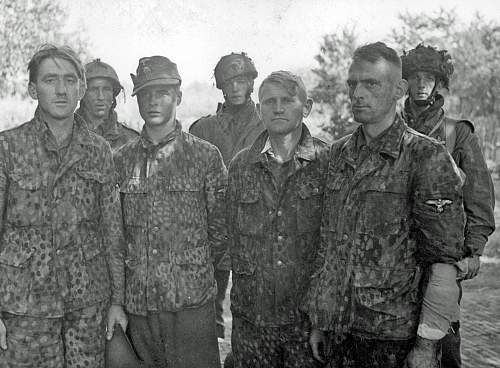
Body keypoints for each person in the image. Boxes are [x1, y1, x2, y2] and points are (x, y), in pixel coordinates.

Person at [304, 42, 466, 368]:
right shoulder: (337, 155)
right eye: (353, 84)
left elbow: (444, 264)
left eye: (371, 83)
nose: (358, 94)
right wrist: (320, 319)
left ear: (399, 89)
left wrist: (426, 344)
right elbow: (329, 245)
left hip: (394, 338)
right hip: (339, 332)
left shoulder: (426, 156)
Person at [0, 44, 126, 367]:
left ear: (81, 89)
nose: (61, 90)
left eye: (70, 80)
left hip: (87, 305)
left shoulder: (98, 151)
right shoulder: (8, 148)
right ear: (32, 88)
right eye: (50, 80)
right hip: (24, 308)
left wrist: (117, 301)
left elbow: (113, 233)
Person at [113, 55, 227, 368]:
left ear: (178, 96)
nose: (153, 101)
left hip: (191, 306)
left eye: (162, 93)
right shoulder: (120, 160)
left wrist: (195, 278)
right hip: (140, 305)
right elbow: (115, 237)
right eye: (146, 94)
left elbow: (221, 234)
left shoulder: (205, 156)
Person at [401, 43, 495, 368]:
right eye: (415, 77)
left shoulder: (457, 134)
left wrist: (474, 250)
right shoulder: (390, 129)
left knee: (441, 345)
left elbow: (479, 196)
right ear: (405, 81)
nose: (422, 84)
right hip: (395, 260)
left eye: (429, 77)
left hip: (441, 258)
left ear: (439, 82)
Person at [227, 71, 328, 368]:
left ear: (306, 107)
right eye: (269, 101)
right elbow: (231, 239)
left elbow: (335, 248)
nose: (278, 108)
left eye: (287, 100)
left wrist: (321, 320)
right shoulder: (241, 166)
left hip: (306, 325)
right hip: (252, 323)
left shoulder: (329, 162)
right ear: (259, 110)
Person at [189, 52, 264, 346]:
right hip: (213, 232)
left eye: (242, 80)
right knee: (210, 306)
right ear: (220, 85)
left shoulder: (268, 124)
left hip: (257, 231)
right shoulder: (203, 129)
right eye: (229, 81)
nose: (235, 87)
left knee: (256, 309)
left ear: (251, 83)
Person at [77, 58, 139, 152]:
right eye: (94, 89)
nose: (101, 97)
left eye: (106, 89)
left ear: (113, 94)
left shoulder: (131, 140)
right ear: (83, 94)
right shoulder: (66, 135)